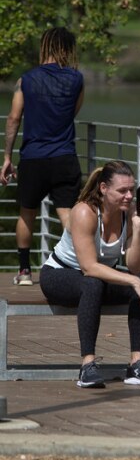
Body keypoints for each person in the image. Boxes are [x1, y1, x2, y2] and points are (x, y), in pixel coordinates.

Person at [39, 161, 140, 389]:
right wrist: (132, 279)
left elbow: (136, 266)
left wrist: (139, 231)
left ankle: (136, 365)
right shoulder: (84, 212)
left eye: (131, 189)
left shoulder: (130, 214)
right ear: (104, 188)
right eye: (122, 191)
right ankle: (87, 366)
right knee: (94, 284)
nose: (129, 196)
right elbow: (89, 267)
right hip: (59, 275)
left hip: (97, 276)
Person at [2, 27, 85, 286]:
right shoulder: (76, 79)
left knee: (27, 214)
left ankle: (25, 272)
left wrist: (6, 157)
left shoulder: (26, 80)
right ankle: (82, 266)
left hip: (33, 158)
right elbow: (73, 112)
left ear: (45, 46)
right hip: (64, 157)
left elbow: (14, 119)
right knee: (68, 216)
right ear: (68, 48)